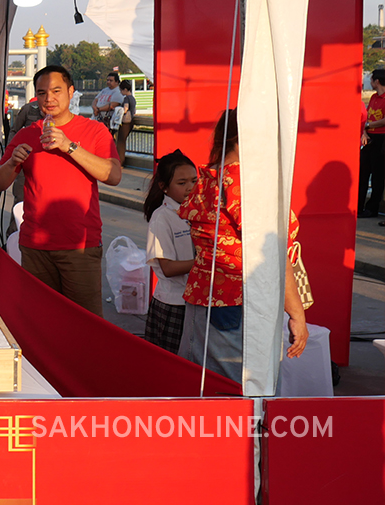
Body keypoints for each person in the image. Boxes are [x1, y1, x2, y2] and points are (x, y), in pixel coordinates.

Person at [178, 109, 308, 381]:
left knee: (205, 382)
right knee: (242, 388)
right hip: (239, 299)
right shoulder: (244, 181)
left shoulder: (211, 176)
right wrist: (297, 314)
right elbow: (273, 253)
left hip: (207, 295)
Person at [0, 65, 122, 316]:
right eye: (41, 93)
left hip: (80, 246)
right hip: (35, 247)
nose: (48, 98)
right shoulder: (27, 134)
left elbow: (113, 175)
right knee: (40, 320)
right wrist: (12, 163)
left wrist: (69, 146)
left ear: (71, 92)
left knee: (84, 322)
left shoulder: (94, 130)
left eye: (56, 91)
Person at [142, 150, 198, 354]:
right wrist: (206, 261)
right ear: (164, 187)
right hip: (173, 303)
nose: (190, 188)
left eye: (194, 181)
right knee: (170, 360)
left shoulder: (199, 212)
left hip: (196, 301)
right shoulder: (162, 217)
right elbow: (167, 268)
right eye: (182, 183)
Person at [359, 69, 385, 217]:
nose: (370, 82)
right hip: (369, 137)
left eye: (372, 80)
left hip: (381, 138)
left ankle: (372, 208)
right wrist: (364, 131)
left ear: (377, 81)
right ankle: (359, 205)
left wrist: (368, 125)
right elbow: (366, 115)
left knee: (377, 175)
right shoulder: (374, 97)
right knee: (363, 172)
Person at [114, 80, 137, 163]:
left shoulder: (126, 98)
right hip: (131, 122)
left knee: (120, 142)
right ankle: (121, 160)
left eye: (121, 90)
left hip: (125, 123)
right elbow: (134, 110)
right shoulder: (133, 98)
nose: (121, 92)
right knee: (123, 141)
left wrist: (118, 111)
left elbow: (125, 109)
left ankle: (120, 161)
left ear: (125, 89)